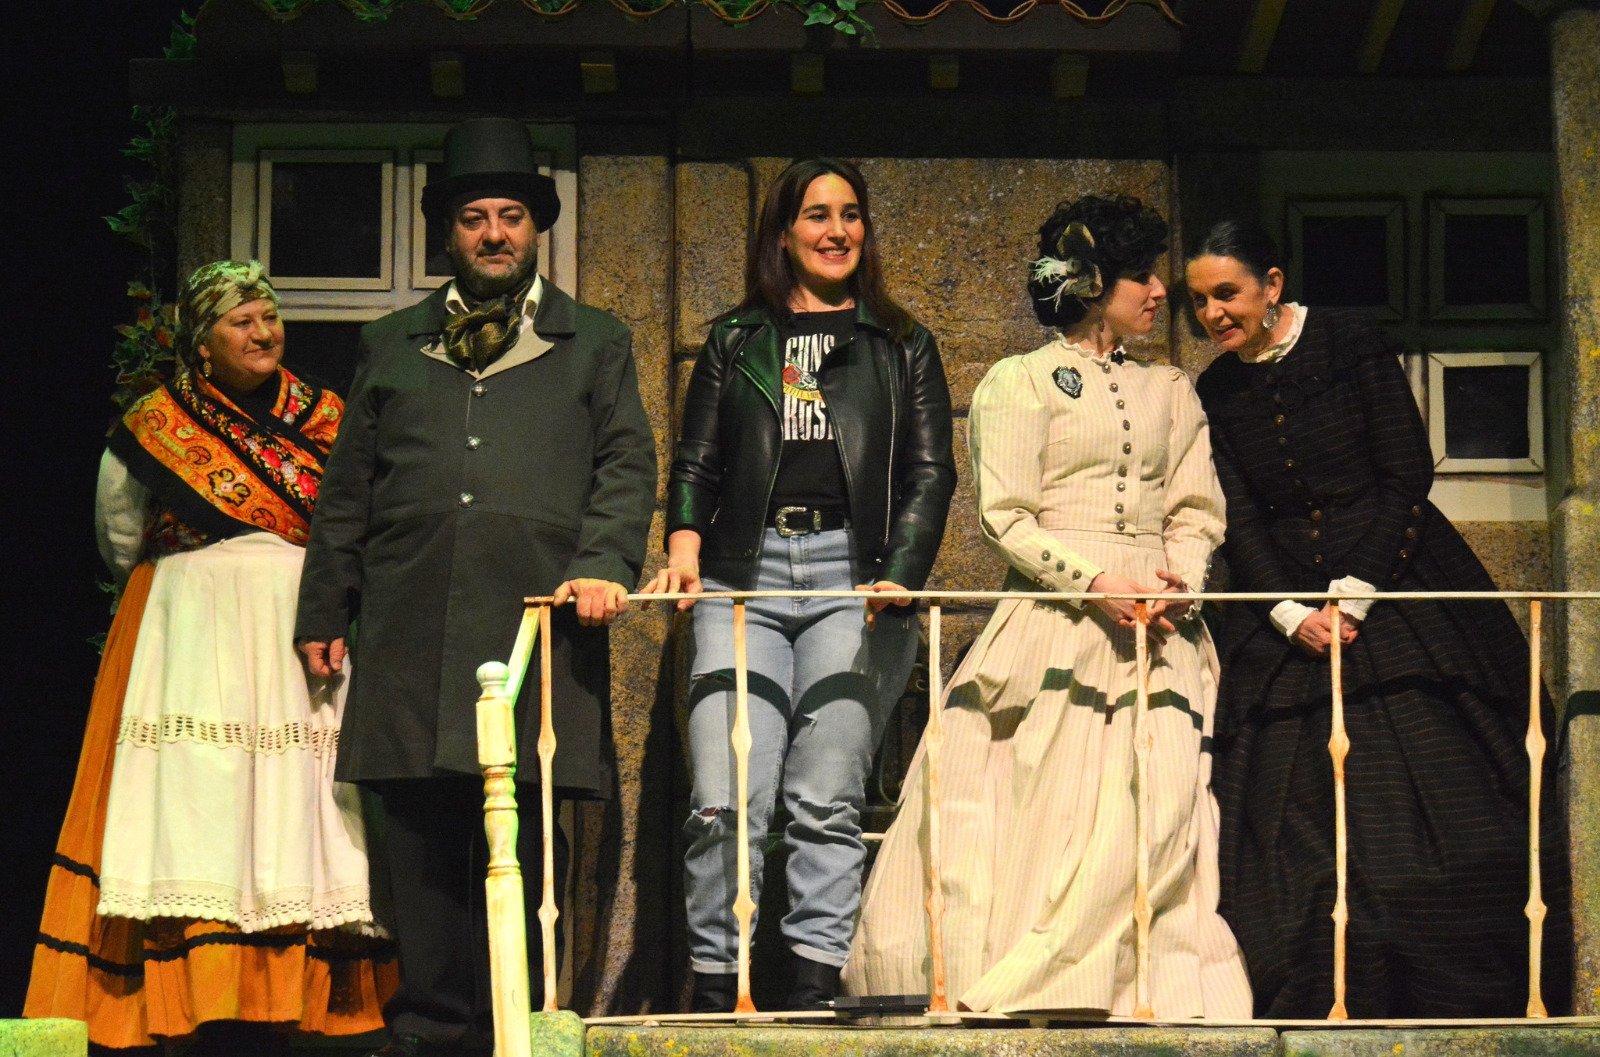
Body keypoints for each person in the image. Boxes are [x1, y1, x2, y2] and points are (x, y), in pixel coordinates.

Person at [294, 117, 656, 1057]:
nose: (494, 234)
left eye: (510, 216)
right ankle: (429, 1027)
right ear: (448, 233)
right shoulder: (392, 342)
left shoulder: (594, 341)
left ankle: (513, 1029)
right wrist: (325, 604)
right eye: (473, 218)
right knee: (417, 835)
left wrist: (603, 561)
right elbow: (348, 486)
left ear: (535, 228)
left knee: (523, 833)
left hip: (533, 618)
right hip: (411, 616)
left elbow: (626, 465)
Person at [844, 195, 1252, 1018]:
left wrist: (1178, 581)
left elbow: (1195, 509)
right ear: (1094, 284)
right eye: (1140, 275)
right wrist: (1096, 583)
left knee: (1158, 804)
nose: (1159, 291)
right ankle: (1024, 981)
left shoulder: (1172, 388)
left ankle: (1138, 989)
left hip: (1158, 629)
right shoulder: (1020, 381)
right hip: (1057, 619)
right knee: (1028, 799)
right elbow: (1006, 515)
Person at [1185, 220, 1571, 1018]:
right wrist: (1287, 610)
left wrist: (1354, 594)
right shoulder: (1216, 389)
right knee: (1286, 823)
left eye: (1227, 293)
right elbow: (1239, 515)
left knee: (1444, 802)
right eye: (1199, 301)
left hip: (1393, 582)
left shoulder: (1350, 343)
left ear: (1272, 284)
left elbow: (1406, 471)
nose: (1213, 314)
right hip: (1284, 609)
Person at [26, 260, 393, 1054]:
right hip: (193, 624)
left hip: (298, 625)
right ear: (202, 340)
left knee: (299, 796)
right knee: (199, 793)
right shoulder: (157, 424)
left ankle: (296, 993)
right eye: (241, 321)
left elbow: (355, 518)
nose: (263, 332)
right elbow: (120, 531)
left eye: (269, 316)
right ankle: (198, 989)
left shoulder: (327, 415)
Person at [641, 157, 955, 1012]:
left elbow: (931, 471)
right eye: (817, 214)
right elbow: (697, 458)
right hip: (741, 579)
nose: (837, 230)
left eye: (851, 214)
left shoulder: (902, 342)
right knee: (723, 795)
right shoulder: (736, 337)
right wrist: (683, 545)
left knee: (826, 796)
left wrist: (900, 574)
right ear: (784, 232)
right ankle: (719, 982)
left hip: (853, 578)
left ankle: (815, 982)